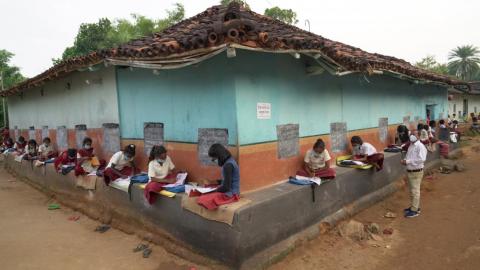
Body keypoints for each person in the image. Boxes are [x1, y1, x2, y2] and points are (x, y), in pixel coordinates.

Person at [196, 144, 240, 210]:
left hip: (231, 194)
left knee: (202, 199)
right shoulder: (228, 161)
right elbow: (227, 180)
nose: (214, 161)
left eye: (214, 159)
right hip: (228, 190)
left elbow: (226, 187)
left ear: (220, 156)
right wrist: (213, 182)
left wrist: (213, 191)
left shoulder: (228, 165)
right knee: (206, 188)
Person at [401, 134, 427, 218]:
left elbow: (422, 159)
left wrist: (408, 162)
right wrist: (405, 160)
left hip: (416, 172)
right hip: (410, 171)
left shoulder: (420, 146)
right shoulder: (411, 145)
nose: (412, 136)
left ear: (418, 136)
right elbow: (408, 156)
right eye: (411, 134)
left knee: (415, 191)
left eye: (414, 134)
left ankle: (415, 211)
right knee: (412, 191)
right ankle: (414, 207)